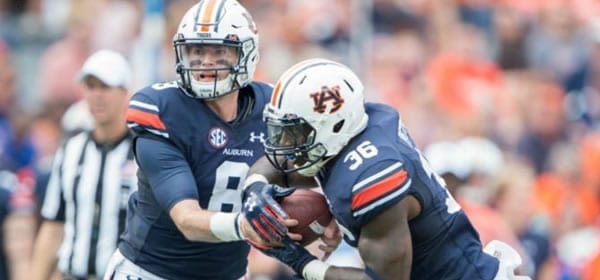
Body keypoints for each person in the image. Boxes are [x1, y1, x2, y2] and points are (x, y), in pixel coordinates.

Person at [240, 58, 532, 280]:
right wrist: (255, 188)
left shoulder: (373, 177)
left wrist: (301, 262)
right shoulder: (363, 125)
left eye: (295, 134)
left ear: (334, 125)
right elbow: (279, 164)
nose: (284, 145)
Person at [102, 1, 291, 279]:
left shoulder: (271, 107)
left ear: (247, 53)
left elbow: (303, 173)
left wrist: (325, 217)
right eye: (197, 50)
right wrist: (245, 226)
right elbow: (187, 219)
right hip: (151, 273)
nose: (205, 61)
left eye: (219, 51)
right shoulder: (163, 110)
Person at [31, 49, 137, 280]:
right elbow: (53, 225)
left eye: (105, 86)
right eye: (91, 86)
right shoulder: (71, 150)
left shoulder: (143, 153)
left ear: (125, 93)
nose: (97, 95)